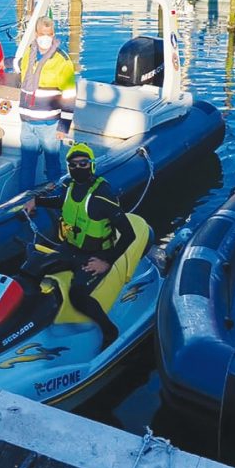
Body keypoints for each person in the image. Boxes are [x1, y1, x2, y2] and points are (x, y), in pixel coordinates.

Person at [29, 143, 135, 350]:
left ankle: (109, 331)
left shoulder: (102, 195)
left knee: (77, 293)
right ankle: (30, 318)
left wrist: (106, 261)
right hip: (70, 248)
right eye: (73, 164)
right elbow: (61, 202)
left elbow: (128, 234)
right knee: (34, 267)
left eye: (83, 163)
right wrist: (37, 201)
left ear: (91, 165)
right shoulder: (69, 187)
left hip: (95, 255)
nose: (78, 168)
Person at [19, 15, 76, 190]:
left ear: (53, 35)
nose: (45, 37)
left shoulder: (62, 60)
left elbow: (69, 94)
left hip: (49, 124)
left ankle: (57, 196)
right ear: (36, 33)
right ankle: (25, 200)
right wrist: (5, 62)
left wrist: (64, 126)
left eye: (49, 34)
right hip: (27, 122)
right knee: (26, 165)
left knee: (52, 165)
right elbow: (22, 67)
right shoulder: (30, 52)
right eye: (42, 33)